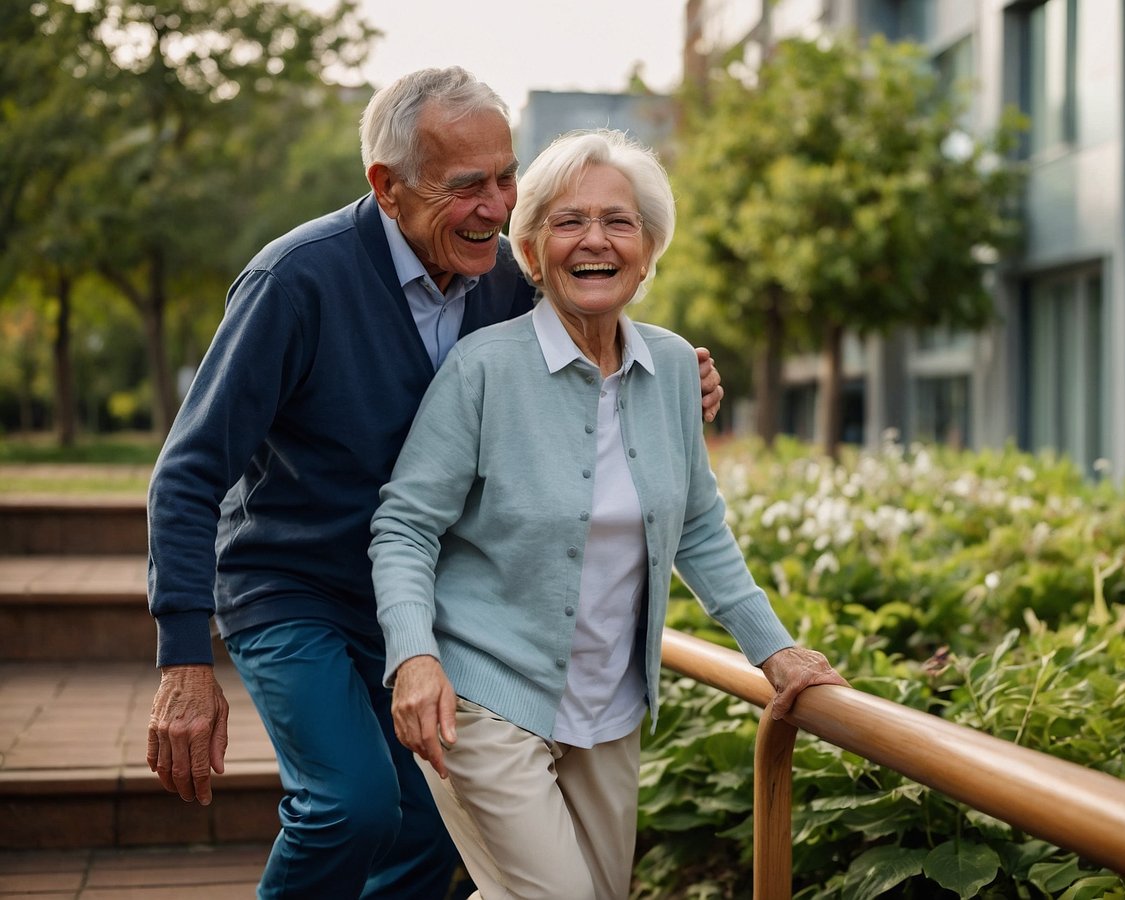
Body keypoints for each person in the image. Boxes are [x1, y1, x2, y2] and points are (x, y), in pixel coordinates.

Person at [144, 70, 724, 899]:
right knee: (351, 805)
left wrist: (684, 376)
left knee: (428, 819)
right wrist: (183, 663)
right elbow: (190, 472)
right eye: (466, 187)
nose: (497, 207)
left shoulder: (501, 279)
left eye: (506, 177)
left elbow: (597, 318)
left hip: (422, 599)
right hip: (293, 585)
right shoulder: (296, 282)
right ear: (386, 186)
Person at [369, 128, 850, 900]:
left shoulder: (671, 370)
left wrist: (776, 652)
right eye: (567, 222)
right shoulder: (483, 370)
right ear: (530, 252)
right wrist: (414, 655)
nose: (594, 240)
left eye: (618, 222)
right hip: (484, 698)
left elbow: (697, 527)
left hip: (610, 708)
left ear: (649, 248)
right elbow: (405, 525)